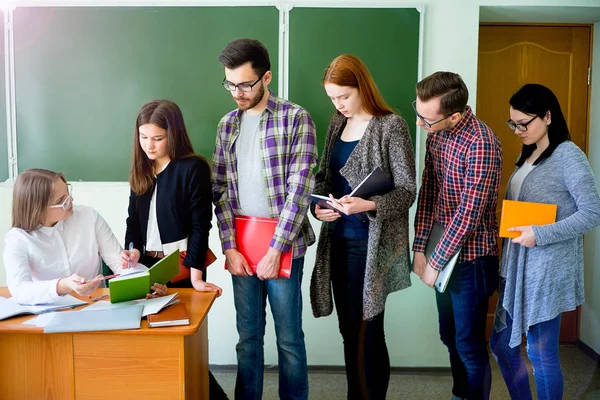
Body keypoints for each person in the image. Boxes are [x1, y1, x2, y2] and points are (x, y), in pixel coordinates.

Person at [212, 38, 317, 400]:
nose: (237, 92)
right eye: (230, 83)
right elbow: (220, 191)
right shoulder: (227, 125)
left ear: (266, 77)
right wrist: (228, 247)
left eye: (245, 84)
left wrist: (276, 250)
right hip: (241, 245)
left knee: (288, 339)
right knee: (248, 339)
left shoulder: (296, 118)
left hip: (283, 246)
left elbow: (299, 188)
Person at [309, 54, 416, 400]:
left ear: (362, 87)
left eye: (344, 96)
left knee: (368, 330)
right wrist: (318, 206)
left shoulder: (390, 125)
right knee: (347, 330)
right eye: (332, 98)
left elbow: (407, 191)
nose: (338, 104)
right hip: (338, 241)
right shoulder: (336, 126)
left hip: (370, 246)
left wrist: (368, 204)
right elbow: (323, 176)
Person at [490, 84, 600, 400]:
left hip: (546, 271)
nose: (518, 130)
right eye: (513, 123)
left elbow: (592, 212)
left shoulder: (567, 155)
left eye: (524, 123)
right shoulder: (528, 153)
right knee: (501, 346)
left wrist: (540, 234)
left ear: (548, 116)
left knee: (540, 354)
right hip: (517, 267)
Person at [120, 99, 227, 399]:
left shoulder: (192, 167)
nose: (149, 146)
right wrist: (133, 251)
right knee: (148, 342)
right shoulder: (141, 169)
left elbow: (200, 224)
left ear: (174, 134)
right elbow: (133, 222)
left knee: (179, 341)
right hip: (147, 266)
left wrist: (195, 275)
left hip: (180, 265)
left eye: (157, 138)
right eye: (143, 138)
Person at [411, 71, 503, 400]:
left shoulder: (482, 143)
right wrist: (420, 249)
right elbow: (430, 194)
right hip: (441, 253)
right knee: (448, 336)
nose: (421, 124)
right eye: (418, 113)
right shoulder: (436, 136)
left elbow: (469, 213)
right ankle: (460, 394)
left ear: (455, 115)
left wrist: (436, 261)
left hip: (473, 261)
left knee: (469, 345)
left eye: (427, 119)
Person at [3, 169, 127, 305]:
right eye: (61, 200)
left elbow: (121, 263)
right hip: (47, 313)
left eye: (68, 193)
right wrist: (62, 285)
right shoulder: (18, 238)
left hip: (95, 304)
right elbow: (20, 290)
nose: (71, 200)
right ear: (38, 209)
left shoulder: (88, 217)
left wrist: (140, 277)